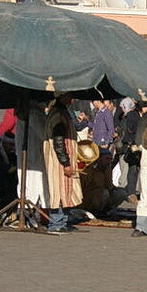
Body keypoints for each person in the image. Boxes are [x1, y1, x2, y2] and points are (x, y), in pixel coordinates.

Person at [43, 94, 83, 233]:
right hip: (58, 161)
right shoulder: (58, 116)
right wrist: (65, 161)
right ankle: (56, 223)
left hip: (60, 159)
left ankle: (61, 222)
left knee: (64, 191)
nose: (73, 99)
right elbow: (58, 140)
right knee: (59, 191)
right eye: (70, 96)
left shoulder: (60, 113)